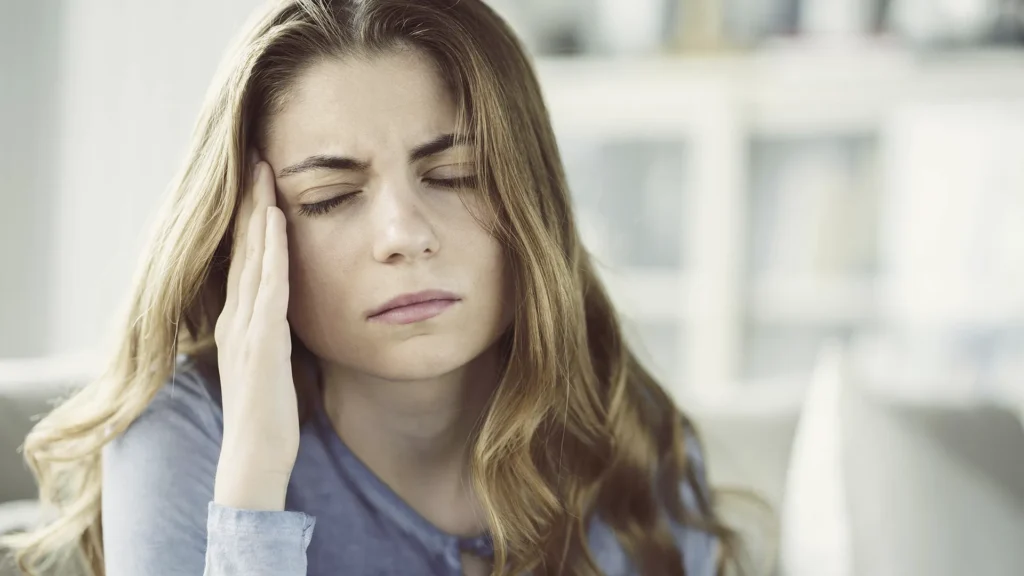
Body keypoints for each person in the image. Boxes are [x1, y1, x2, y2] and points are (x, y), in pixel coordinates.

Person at [5, 0, 741, 574]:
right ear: (247, 234)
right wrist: (254, 482)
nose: (403, 234)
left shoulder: (628, 436)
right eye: (330, 197)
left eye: (456, 176)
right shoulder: (184, 432)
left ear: (533, 200)